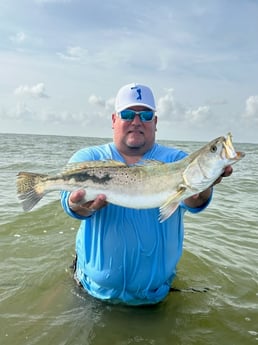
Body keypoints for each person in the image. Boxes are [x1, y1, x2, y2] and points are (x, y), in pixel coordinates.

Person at [61, 83, 232, 306]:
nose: (136, 121)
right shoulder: (89, 157)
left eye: (146, 114)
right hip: (91, 292)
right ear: (114, 120)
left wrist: (202, 189)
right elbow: (68, 200)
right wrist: (77, 206)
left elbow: (193, 201)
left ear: (155, 122)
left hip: (155, 296)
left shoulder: (176, 160)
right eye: (128, 114)